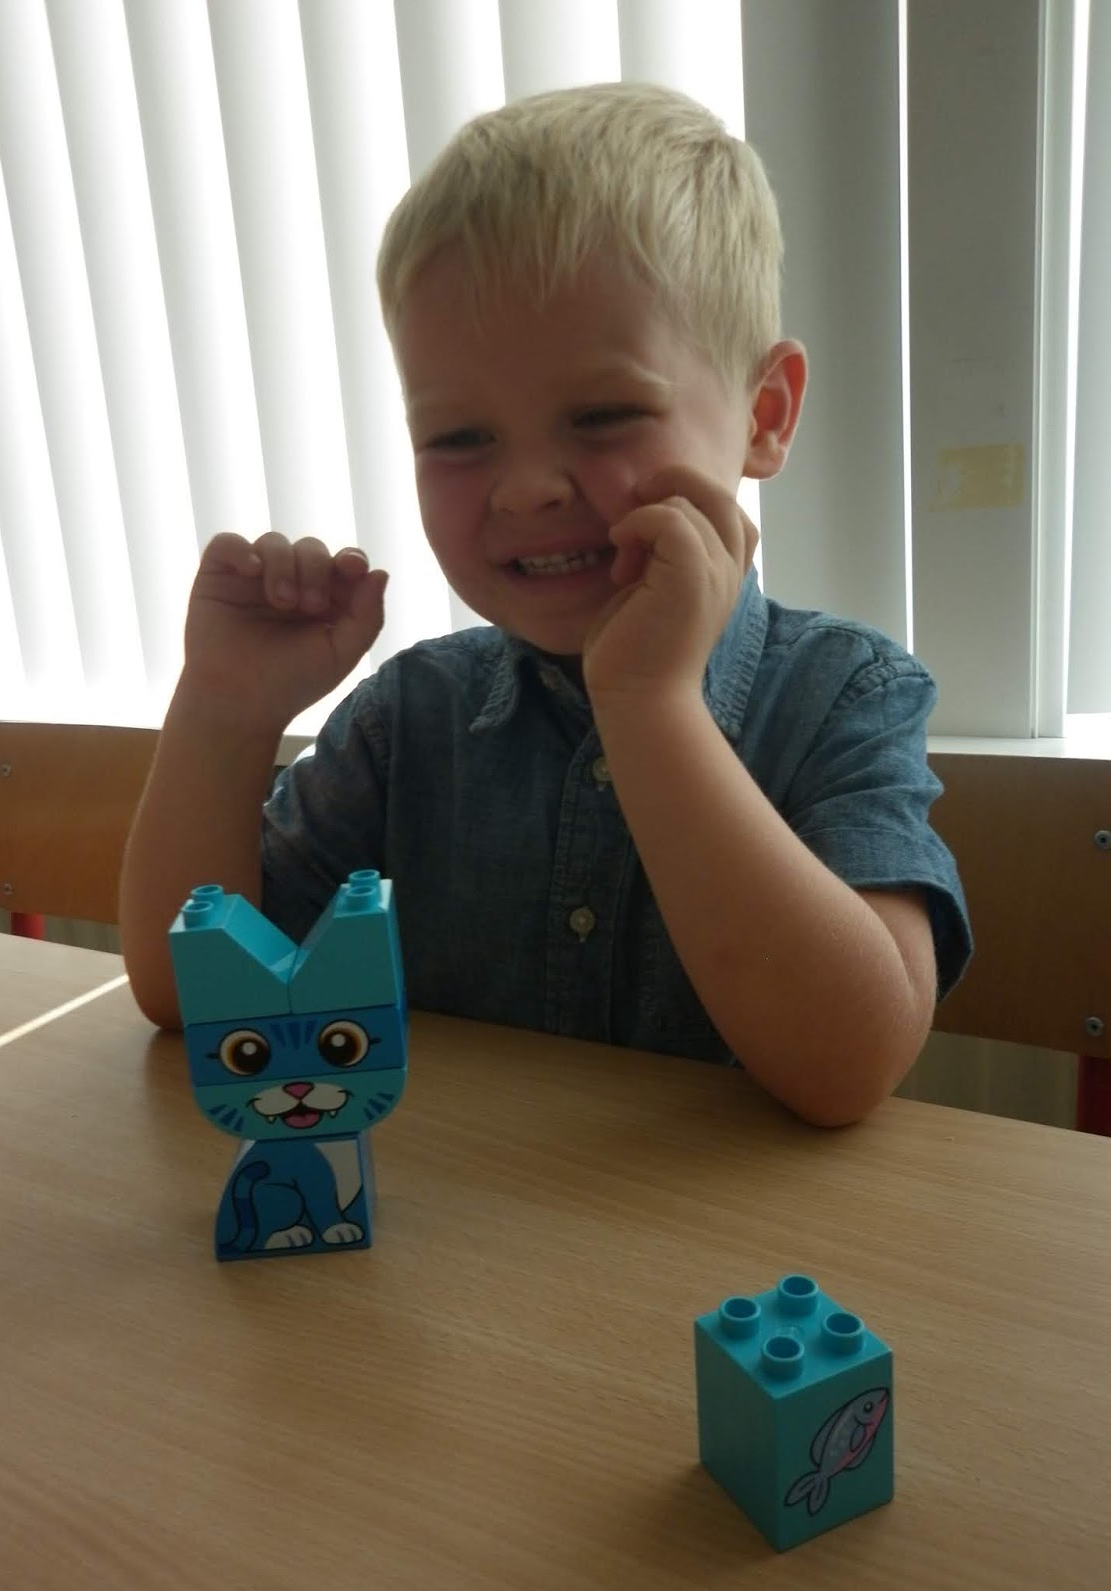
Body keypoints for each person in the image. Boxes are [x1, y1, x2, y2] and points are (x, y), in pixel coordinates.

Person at [120, 82, 971, 1127]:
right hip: (464, 1219)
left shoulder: (846, 694)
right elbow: (190, 997)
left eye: (603, 415)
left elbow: (846, 1066)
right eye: (458, 438)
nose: (525, 489)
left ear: (764, 415)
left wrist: (652, 704)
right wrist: (225, 708)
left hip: (721, 1233)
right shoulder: (408, 719)